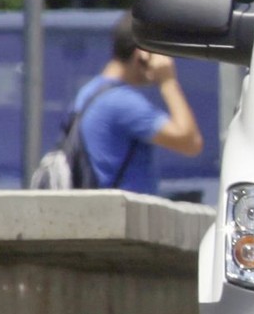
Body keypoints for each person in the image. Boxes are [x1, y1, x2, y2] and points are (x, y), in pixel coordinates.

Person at [63, 15, 203, 195]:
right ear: (142, 55)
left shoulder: (89, 92)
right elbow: (190, 142)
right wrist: (168, 81)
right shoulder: (122, 102)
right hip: (122, 210)